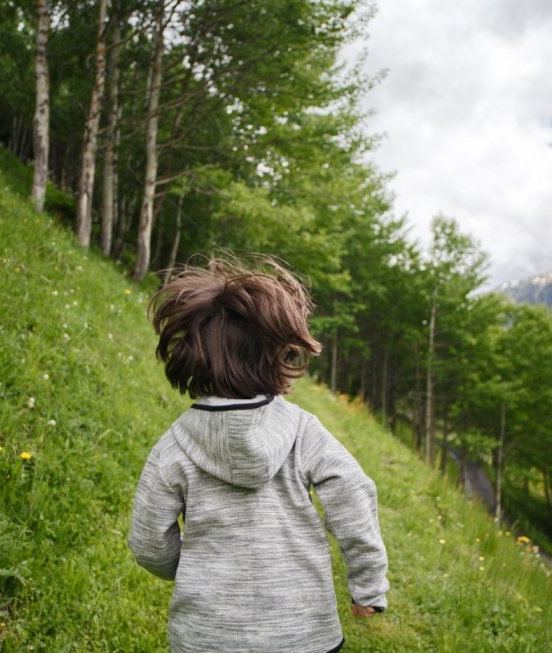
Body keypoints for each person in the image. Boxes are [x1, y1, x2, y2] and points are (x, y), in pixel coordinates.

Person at [128, 257, 389, 653]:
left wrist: (194, 570)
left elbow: (148, 542)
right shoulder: (302, 430)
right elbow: (352, 492)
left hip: (206, 638)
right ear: (278, 356)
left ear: (195, 354)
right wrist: (368, 584)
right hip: (304, 635)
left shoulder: (175, 445)